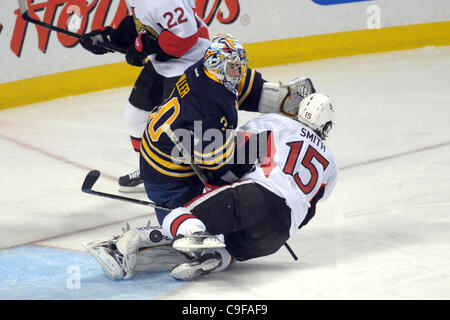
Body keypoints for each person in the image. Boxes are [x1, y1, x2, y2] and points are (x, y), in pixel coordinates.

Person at [82, 92, 337, 281]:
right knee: (230, 248)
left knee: (180, 215)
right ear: (326, 126)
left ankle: (118, 249)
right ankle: (216, 259)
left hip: (254, 198)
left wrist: (216, 180)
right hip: (280, 233)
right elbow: (311, 208)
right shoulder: (331, 165)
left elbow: (237, 154)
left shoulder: (278, 123)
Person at [79, 1, 313, 194]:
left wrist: (146, 48)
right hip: (164, 64)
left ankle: (195, 175)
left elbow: (186, 36)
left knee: (190, 127)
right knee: (135, 115)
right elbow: (142, 23)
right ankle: (150, 166)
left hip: (190, 61)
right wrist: (112, 39)